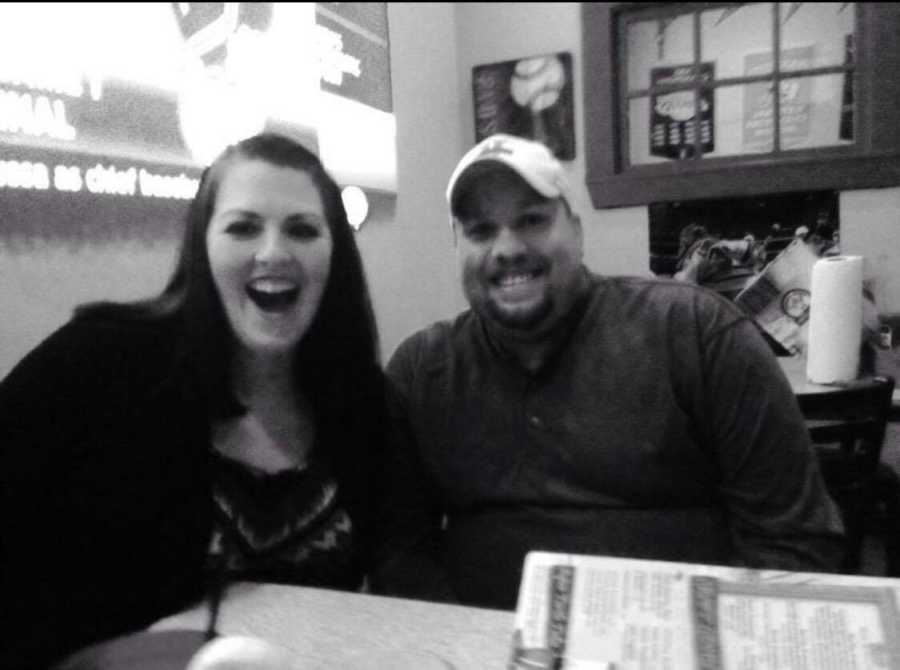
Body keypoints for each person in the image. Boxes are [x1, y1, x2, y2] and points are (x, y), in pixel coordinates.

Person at [372, 133, 845, 611]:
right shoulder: (421, 371)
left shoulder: (697, 333)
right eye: (480, 230)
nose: (506, 248)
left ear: (576, 231)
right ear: (457, 246)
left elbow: (795, 541)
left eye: (532, 220)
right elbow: (399, 554)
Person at [0, 133, 387, 668]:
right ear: (202, 248)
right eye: (243, 227)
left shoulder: (364, 399)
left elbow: (396, 566)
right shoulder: (97, 362)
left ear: (335, 254)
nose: (273, 252)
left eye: (301, 229)